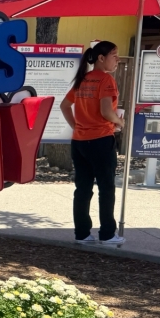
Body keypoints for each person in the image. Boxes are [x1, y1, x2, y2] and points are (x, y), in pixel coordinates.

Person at [60, 41, 127, 245]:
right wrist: (119, 122)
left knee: (82, 189)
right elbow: (106, 111)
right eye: (114, 55)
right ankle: (107, 234)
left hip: (79, 141)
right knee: (106, 188)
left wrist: (77, 126)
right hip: (101, 140)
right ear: (101, 58)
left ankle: (82, 234)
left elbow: (64, 106)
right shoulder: (106, 80)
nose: (117, 59)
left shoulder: (83, 79)